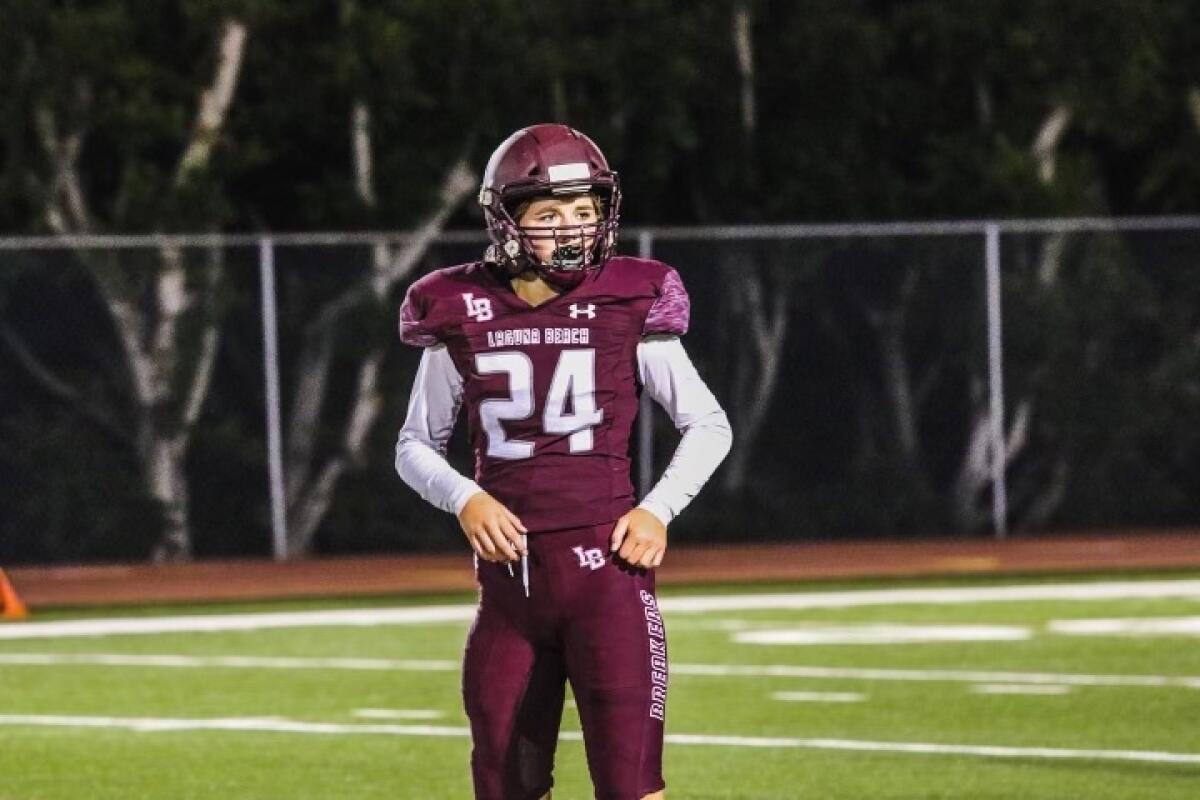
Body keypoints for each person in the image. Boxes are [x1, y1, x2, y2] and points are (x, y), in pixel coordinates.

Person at [394, 123, 732, 800]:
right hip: (509, 591)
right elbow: (413, 445)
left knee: (631, 786)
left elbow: (707, 423)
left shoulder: (629, 299)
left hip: (607, 578)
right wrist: (466, 497)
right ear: (506, 221)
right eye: (550, 215)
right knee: (504, 783)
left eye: (585, 212)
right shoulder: (459, 306)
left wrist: (657, 509)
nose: (573, 229)